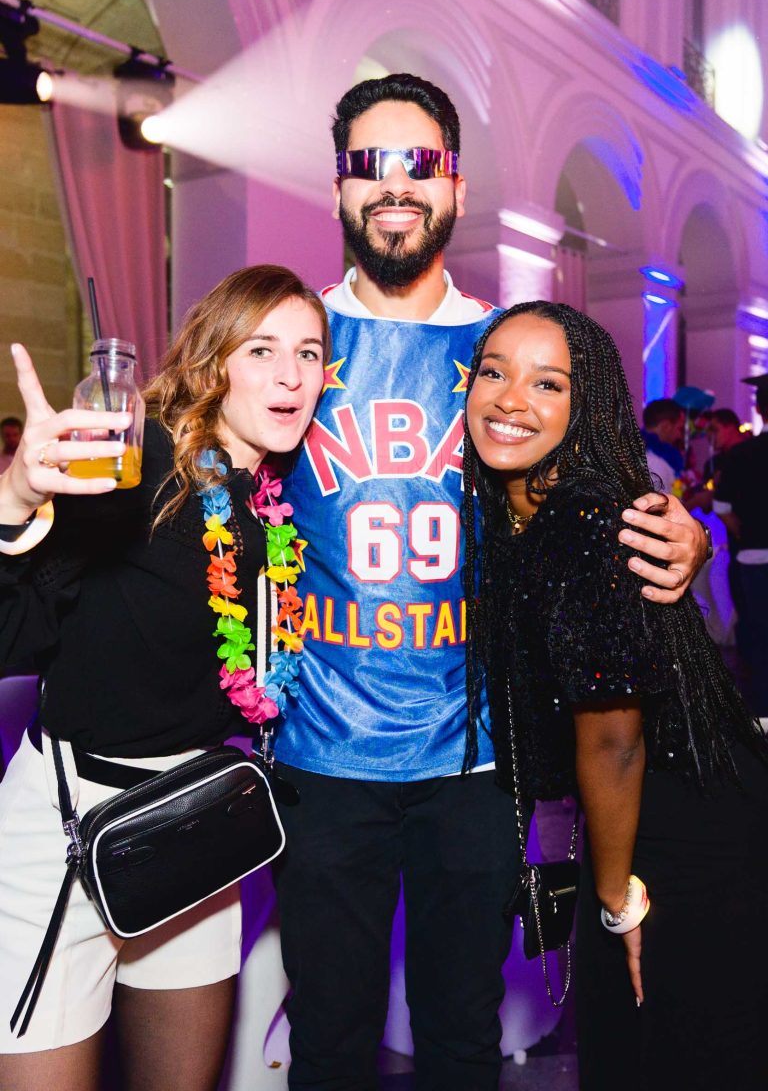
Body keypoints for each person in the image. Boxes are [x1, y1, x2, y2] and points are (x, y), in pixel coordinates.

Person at [271, 73, 708, 1089]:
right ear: (337, 190)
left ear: (457, 190)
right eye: (368, 165)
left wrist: (692, 540)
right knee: (329, 1042)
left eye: (420, 163)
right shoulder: (292, 347)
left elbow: (612, 482)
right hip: (321, 759)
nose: (395, 186)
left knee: (461, 1041)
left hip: (471, 769)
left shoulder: (501, 352)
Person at [0, 265, 329, 1091]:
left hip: (191, 830)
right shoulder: (138, 460)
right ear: (216, 361)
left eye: (310, 352)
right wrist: (16, 495)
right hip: (67, 828)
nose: (292, 374)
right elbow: (13, 629)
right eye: (263, 349)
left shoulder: (273, 499)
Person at [463, 301, 768, 1091]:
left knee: (671, 1051)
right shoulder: (516, 512)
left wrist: (614, 899)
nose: (509, 399)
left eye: (547, 383)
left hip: (682, 830)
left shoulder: (588, 515)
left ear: (586, 404)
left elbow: (614, 734)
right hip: (638, 823)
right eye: (493, 372)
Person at [714, 374, 768, 717]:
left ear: (760, 409)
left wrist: (746, 534)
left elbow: (723, 511)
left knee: (759, 640)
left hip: (753, 558)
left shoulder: (740, 455)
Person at [640, 398, 685, 492]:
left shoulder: (637, 450)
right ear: (666, 426)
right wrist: (697, 501)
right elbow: (663, 505)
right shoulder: (657, 462)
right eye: (679, 429)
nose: (679, 435)